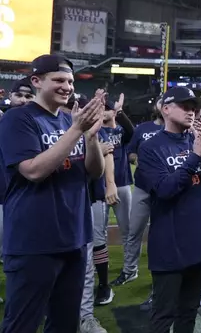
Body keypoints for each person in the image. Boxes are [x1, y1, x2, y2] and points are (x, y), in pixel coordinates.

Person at [0, 54, 105, 332]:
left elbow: (94, 172)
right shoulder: (18, 119)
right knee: (22, 324)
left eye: (70, 81)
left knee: (64, 325)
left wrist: (91, 137)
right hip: (33, 242)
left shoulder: (70, 121)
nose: (67, 87)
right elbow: (33, 171)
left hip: (73, 239)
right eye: (58, 80)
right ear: (36, 81)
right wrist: (76, 130)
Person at [137, 86, 201, 333]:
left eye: (195, 108)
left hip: (200, 247)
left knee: (188, 315)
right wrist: (194, 157)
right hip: (169, 248)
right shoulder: (151, 147)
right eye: (185, 107)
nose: (193, 112)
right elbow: (165, 189)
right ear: (165, 109)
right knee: (163, 317)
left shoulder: (197, 141)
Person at [62, 96, 111, 333]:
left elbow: (100, 164)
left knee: (86, 263)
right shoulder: (45, 127)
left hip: (87, 200)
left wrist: (94, 144)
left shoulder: (92, 130)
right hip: (53, 204)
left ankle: (85, 316)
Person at [124, 98, 164, 309]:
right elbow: (130, 152)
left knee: (162, 234)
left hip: (165, 188)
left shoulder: (175, 129)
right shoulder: (143, 129)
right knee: (134, 230)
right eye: (160, 103)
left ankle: (160, 282)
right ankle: (129, 271)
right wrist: (137, 160)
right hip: (142, 186)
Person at [0, 78, 35, 267]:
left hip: (26, 195)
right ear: (10, 96)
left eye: (28, 96)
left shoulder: (40, 123)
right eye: (19, 95)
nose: (23, 100)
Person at [102, 95, 136, 286]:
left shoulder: (122, 130)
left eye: (107, 108)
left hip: (122, 184)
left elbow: (132, 131)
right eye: (102, 108)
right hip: (100, 186)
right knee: (99, 231)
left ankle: (130, 269)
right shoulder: (95, 130)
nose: (104, 111)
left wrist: (120, 112)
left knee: (127, 229)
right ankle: (101, 262)